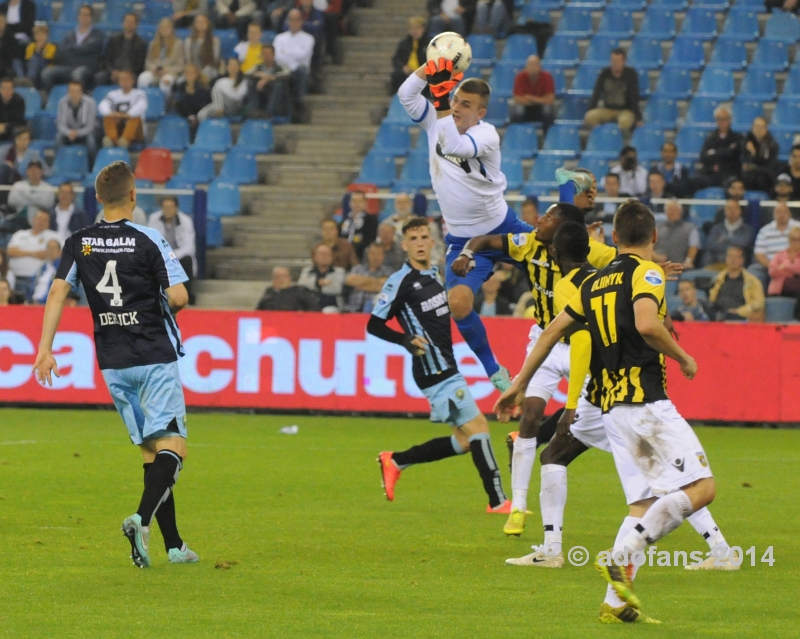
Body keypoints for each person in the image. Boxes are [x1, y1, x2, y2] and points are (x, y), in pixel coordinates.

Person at [496, 199, 718, 622]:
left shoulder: (593, 283)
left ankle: (615, 604)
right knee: (702, 488)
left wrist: (518, 385)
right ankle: (622, 556)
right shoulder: (648, 273)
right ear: (653, 237)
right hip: (646, 404)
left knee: (642, 505)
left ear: (614, 239)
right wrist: (683, 357)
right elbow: (648, 324)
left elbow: (550, 333)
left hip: (611, 409)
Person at [33, 160, 197, 568]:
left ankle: (174, 546)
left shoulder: (80, 241)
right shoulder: (148, 237)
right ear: (134, 195)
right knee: (173, 447)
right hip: (152, 354)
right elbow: (179, 297)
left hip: (112, 359)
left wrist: (44, 349)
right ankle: (140, 521)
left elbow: (57, 293)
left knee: (149, 452)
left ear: (98, 198)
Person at [451, 201, 617, 534]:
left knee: (598, 415)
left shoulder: (593, 253)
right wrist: (467, 254)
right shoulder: (527, 245)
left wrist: (654, 268)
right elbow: (485, 240)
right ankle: (519, 507)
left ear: (565, 230)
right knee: (529, 416)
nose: (538, 220)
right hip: (544, 338)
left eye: (549, 217)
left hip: (581, 344)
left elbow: (627, 263)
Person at [398, 62, 535, 391]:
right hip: (462, 239)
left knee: (564, 260)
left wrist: (441, 101)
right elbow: (406, 95)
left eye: (466, 104)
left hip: (503, 228)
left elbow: (455, 146)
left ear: (481, 112)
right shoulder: (437, 118)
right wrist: (428, 68)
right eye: (456, 100)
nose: (457, 107)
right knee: (458, 303)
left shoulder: (485, 134)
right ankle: (493, 369)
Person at [372, 217, 511, 512]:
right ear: (404, 245)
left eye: (424, 237)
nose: (420, 243)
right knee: (479, 428)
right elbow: (374, 325)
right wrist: (405, 340)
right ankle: (498, 500)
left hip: (446, 365)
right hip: (433, 369)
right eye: (414, 239)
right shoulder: (400, 282)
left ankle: (396, 460)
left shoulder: (436, 274)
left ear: (432, 242)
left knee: (463, 441)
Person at [40, 4, 104, 91]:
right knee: (47, 73)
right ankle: (52, 99)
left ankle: (79, 100)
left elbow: (89, 49)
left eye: (87, 15)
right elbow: (62, 51)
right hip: (69, 67)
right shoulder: (69, 34)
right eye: (81, 14)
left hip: (87, 68)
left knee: (78, 74)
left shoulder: (97, 34)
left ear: (91, 17)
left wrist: (72, 49)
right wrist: (80, 50)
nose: (84, 17)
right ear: (78, 16)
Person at [148, 196, 197, 305]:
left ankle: (187, 296)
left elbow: (189, 247)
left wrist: (171, 256)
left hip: (178, 257)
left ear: (176, 208)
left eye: (170, 207)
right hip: (160, 256)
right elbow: (150, 242)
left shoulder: (185, 221)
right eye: (165, 207)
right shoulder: (153, 219)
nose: (168, 210)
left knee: (187, 259)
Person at [584, 48, 641, 134]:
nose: (615, 64)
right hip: (608, 109)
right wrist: (590, 109)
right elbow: (596, 93)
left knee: (625, 122)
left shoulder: (631, 74)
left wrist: (638, 118)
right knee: (589, 117)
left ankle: (619, 141)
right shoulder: (604, 73)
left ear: (624, 61)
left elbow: (634, 97)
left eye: (618, 61)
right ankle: (601, 136)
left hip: (625, 110)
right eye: (613, 61)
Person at [748, 202, 800, 290]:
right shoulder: (764, 231)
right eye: (778, 212)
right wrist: (774, 267)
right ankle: (759, 300)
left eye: (784, 212)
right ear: (773, 214)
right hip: (770, 265)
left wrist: (788, 267)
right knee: (753, 270)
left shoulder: (798, 226)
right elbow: (759, 254)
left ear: (789, 213)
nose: (781, 215)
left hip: (796, 263)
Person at [6, 207, 58, 294]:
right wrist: (33, 253)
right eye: (39, 218)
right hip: (16, 278)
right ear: (33, 219)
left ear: (49, 223)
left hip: (40, 280)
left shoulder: (55, 237)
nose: (41, 222)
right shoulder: (20, 234)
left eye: (45, 220)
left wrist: (47, 254)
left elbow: (60, 254)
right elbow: (11, 251)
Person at [273, 9, 315, 111]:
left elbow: (302, 55)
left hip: (299, 70)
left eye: (297, 19)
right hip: (283, 69)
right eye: (292, 20)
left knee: (300, 70)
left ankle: (298, 104)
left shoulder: (309, 38)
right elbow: (277, 56)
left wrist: (286, 53)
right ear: (288, 21)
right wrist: (293, 55)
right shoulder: (279, 38)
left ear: (301, 21)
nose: (294, 23)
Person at [709, 245, 765, 321]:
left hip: (739, 317)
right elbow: (711, 300)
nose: (733, 260)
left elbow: (758, 304)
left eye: (736, 257)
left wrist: (739, 311)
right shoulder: (718, 279)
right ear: (726, 259)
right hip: (717, 314)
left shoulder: (752, 281)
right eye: (730, 256)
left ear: (742, 260)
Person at [696, 106, 743, 189]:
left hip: (730, 174)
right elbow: (703, 157)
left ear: (730, 120)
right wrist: (726, 151)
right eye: (719, 119)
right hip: (711, 173)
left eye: (724, 119)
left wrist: (714, 153)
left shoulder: (737, 137)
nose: (721, 122)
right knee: (694, 180)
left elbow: (733, 154)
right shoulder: (710, 138)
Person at [99, 70, 148, 148]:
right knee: (107, 116)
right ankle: (112, 140)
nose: (125, 82)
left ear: (132, 81)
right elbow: (102, 105)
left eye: (127, 79)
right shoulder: (113, 94)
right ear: (119, 81)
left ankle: (125, 141)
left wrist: (126, 115)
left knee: (135, 117)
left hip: (136, 131)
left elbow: (142, 105)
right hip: (118, 127)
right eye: (122, 80)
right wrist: (111, 113)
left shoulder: (139, 93)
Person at [96, 13, 148, 86]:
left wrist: (125, 74)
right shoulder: (113, 39)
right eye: (127, 21)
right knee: (100, 77)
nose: (129, 24)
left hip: (131, 72)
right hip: (113, 72)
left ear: (136, 25)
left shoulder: (141, 43)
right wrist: (112, 71)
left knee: (135, 79)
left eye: (131, 22)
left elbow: (140, 64)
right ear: (123, 23)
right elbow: (106, 59)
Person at [138, 17, 185, 97]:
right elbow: (148, 62)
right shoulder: (153, 44)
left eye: (167, 27)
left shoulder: (178, 44)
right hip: (154, 72)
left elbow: (180, 66)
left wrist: (166, 70)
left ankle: (165, 105)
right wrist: (153, 68)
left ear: (172, 29)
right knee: (143, 78)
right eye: (162, 28)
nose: (165, 30)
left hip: (170, 72)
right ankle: (143, 101)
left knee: (166, 81)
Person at [702, 199, 754, 268]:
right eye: (729, 208)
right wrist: (733, 245)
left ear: (740, 211)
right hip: (716, 263)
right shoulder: (716, 228)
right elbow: (711, 245)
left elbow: (743, 243)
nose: (732, 211)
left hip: (738, 265)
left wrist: (725, 238)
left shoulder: (747, 229)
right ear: (725, 211)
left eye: (735, 208)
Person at [509, 55, 555, 131]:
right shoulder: (520, 76)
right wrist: (540, 100)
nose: (533, 68)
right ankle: (519, 137)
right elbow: (517, 99)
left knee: (548, 112)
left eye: (535, 65)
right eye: (530, 65)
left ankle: (548, 139)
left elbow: (550, 99)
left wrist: (531, 98)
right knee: (518, 112)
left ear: (540, 66)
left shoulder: (547, 76)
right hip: (526, 108)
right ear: (526, 66)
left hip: (540, 109)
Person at [55, 81, 97, 162]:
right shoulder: (62, 102)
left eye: (77, 91)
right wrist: (69, 132)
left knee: (91, 141)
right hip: (69, 133)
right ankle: (59, 163)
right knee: (58, 138)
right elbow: (60, 124)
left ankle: (92, 166)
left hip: (85, 133)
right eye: (71, 91)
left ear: (81, 92)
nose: (74, 94)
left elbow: (90, 126)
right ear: (68, 92)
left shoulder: (90, 103)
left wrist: (77, 133)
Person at [344, 242, 393, 312]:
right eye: (373, 253)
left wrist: (361, 283)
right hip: (352, 310)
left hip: (374, 311)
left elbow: (384, 286)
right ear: (368, 255)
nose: (376, 257)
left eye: (379, 254)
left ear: (383, 256)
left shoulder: (388, 272)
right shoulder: (357, 269)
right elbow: (349, 280)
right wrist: (376, 282)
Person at [246, 43, 290, 118]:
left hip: (278, 102)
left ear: (273, 55)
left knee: (278, 85)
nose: (267, 57)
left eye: (269, 54)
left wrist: (267, 78)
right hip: (261, 97)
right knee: (250, 83)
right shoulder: (258, 67)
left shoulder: (280, 67)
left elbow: (287, 74)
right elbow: (247, 74)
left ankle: (269, 114)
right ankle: (253, 113)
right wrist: (260, 77)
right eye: (264, 54)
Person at [297, 243, 346, 311]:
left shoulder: (339, 272)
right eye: (322, 254)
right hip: (309, 304)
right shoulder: (307, 271)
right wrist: (318, 283)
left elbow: (337, 288)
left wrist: (313, 287)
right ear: (315, 257)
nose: (325, 256)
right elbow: (301, 286)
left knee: (328, 311)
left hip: (331, 305)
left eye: (327, 254)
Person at [654, 199, 700, 269]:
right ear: (665, 212)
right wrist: (655, 256)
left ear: (681, 212)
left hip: (679, 266)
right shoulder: (657, 228)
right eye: (669, 209)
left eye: (675, 209)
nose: (671, 212)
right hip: (657, 265)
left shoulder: (690, 228)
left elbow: (694, 246)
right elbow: (648, 246)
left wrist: (688, 260)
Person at [390, 17, 429, 94]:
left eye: (417, 28)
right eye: (412, 29)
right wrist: (403, 66)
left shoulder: (429, 43)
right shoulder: (404, 43)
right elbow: (396, 59)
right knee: (396, 74)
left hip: (423, 72)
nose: (415, 31)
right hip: (408, 72)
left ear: (423, 29)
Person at [741, 116, 779, 194]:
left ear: (766, 128)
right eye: (757, 126)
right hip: (748, 177)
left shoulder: (772, 145)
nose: (759, 130)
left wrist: (753, 155)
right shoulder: (745, 142)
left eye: (762, 127)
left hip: (765, 179)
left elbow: (770, 166)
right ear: (752, 128)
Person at [256, 266, 321, 311]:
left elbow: (314, 308)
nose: (281, 279)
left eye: (284, 276)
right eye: (277, 277)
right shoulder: (268, 295)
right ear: (273, 279)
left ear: (290, 278)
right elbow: (259, 312)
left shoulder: (300, 291)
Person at [340, 190, 377, 262]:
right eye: (354, 201)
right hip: (343, 257)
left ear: (365, 203)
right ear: (350, 203)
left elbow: (370, 241)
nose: (356, 204)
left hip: (361, 257)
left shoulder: (371, 220)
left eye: (360, 201)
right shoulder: (345, 220)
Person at [173, 63, 212, 132]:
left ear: (196, 74)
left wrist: (192, 91)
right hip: (186, 112)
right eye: (187, 73)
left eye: (191, 73)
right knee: (181, 102)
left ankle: (194, 119)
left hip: (199, 110)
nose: (189, 75)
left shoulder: (202, 86)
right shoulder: (181, 85)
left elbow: (204, 101)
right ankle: (191, 117)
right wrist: (188, 90)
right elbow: (178, 100)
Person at [183, 14, 221, 83]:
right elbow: (188, 60)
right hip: (193, 70)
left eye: (203, 22)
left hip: (209, 70)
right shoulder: (188, 41)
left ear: (208, 24)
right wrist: (194, 71)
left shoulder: (214, 40)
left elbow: (215, 59)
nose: (201, 24)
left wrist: (202, 73)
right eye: (198, 22)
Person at [26, 237, 61, 304]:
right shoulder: (42, 268)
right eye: (48, 248)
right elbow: (31, 285)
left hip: (49, 304)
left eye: (53, 248)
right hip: (33, 303)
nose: (51, 251)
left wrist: (41, 301)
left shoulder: (63, 268)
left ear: (60, 251)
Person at [768, 226, 800, 298]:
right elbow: (773, 272)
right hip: (779, 289)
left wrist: (784, 266)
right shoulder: (779, 255)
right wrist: (793, 272)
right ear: (789, 239)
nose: (796, 242)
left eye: (798, 239)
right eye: (793, 239)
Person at [24, 23, 56, 87]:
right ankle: (30, 79)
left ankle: (30, 80)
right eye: (37, 34)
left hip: (46, 67)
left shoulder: (51, 47)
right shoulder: (30, 46)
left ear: (47, 36)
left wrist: (38, 52)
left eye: (42, 35)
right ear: (34, 36)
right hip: (32, 68)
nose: (40, 37)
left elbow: (47, 61)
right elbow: (28, 61)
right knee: (34, 60)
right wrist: (37, 50)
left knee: (35, 59)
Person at [0, 77, 25, 144]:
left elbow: (19, 120)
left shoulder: (19, 100)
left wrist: (5, 126)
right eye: (4, 88)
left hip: (12, 129)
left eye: (10, 88)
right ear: (0, 89)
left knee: (18, 131)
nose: (7, 91)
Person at [0, 14, 22, 79]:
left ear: (5, 24)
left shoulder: (10, 38)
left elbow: (13, 54)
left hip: (7, 64)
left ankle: (20, 81)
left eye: (1, 22)